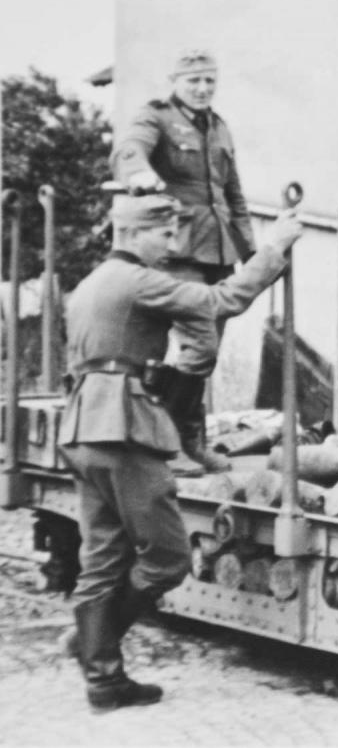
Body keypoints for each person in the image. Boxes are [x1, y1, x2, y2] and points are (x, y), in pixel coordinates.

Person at [58, 194, 303, 711]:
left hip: (83, 427)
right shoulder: (137, 281)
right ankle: (92, 648)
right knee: (167, 558)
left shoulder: (87, 286)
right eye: (163, 235)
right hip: (122, 430)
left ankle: (102, 674)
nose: (172, 246)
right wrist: (274, 250)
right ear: (131, 235)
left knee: (101, 559)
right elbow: (220, 302)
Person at [110, 48, 253, 476]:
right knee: (200, 346)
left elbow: (234, 195)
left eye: (210, 80)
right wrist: (138, 174)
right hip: (177, 251)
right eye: (193, 81)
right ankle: (166, 443)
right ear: (174, 81)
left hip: (217, 253)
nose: (203, 88)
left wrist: (251, 251)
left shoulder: (220, 127)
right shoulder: (156, 117)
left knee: (205, 354)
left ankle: (192, 442)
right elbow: (129, 150)